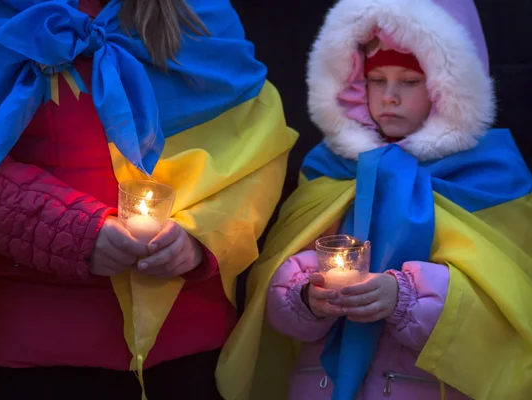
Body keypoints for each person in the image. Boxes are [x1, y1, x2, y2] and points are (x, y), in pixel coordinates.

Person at [0, 0, 297, 399]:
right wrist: (73, 232)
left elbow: (253, 149)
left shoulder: (200, 11)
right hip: (33, 353)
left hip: (186, 351)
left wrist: (198, 237)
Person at [219, 0, 532, 399]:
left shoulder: (490, 176)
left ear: (448, 86)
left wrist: (405, 298)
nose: (389, 97)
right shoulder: (330, 169)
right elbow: (274, 285)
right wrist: (306, 293)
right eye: (376, 80)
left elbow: (506, 305)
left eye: (410, 81)